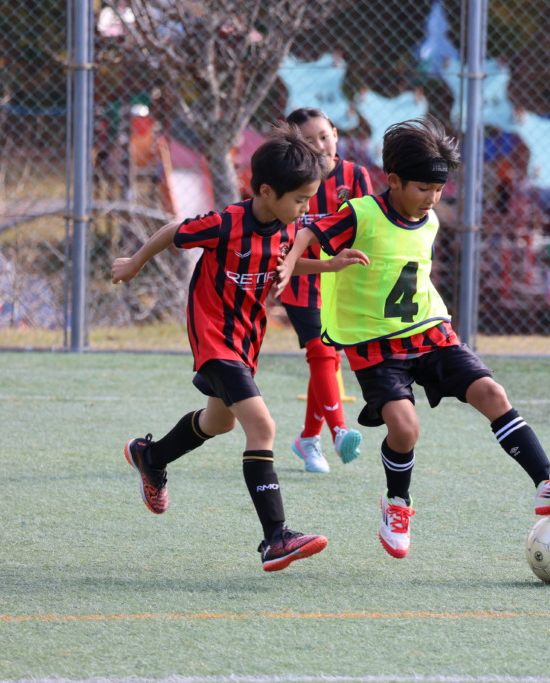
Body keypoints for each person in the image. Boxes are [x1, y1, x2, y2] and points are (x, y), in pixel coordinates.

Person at [281, 117, 550, 559]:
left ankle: (547, 482)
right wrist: (289, 263)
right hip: (375, 346)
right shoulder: (361, 214)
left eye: (439, 189)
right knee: (405, 429)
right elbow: (308, 233)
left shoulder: (429, 221)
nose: (432, 197)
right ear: (393, 181)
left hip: (430, 332)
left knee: (492, 393)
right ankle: (397, 503)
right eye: (423, 188)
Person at [110, 121, 369, 572]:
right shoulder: (226, 223)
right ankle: (276, 538)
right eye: (300, 199)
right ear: (266, 191)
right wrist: (134, 263)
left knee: (219, 421)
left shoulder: (285, 228)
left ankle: (151, 456)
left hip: (246, 340)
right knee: (262, 427)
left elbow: (284, 263)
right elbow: (173, 230)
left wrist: (329, 266)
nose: (306, 208)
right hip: (214, 338)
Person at [280, 107, 372, 473]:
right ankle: (338, 432)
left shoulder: (355, 175)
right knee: (321, 351)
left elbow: (366, 227)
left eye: (324, 136)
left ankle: (307, 439)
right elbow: (285, 234)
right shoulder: (290, 181)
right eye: (309, 140)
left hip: (340, 284)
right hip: (302, 281)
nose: (320, 145)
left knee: (329, 358)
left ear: (335, 133)